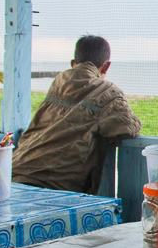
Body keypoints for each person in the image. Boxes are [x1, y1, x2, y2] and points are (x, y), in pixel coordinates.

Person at [12, 35, 142, 194]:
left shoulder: (59, 81)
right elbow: (130, 129)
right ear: (106, 67)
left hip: (14, 173)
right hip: (54, 186)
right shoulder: (106, 91)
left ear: (73, 64)